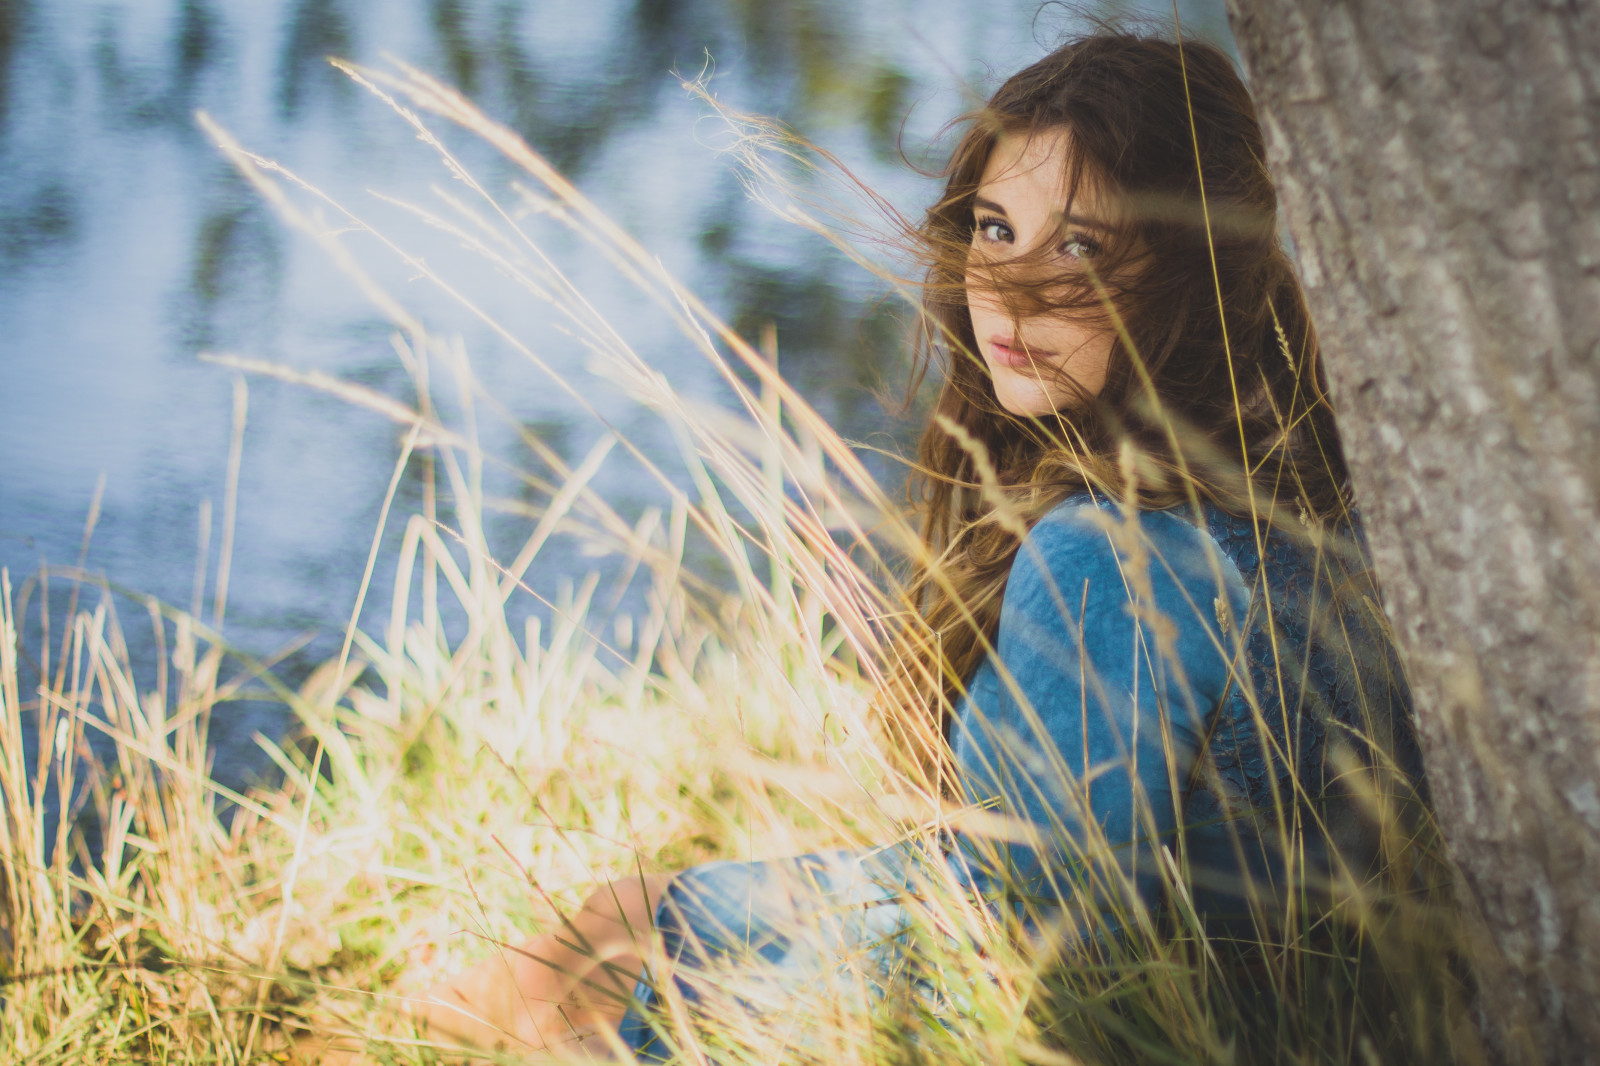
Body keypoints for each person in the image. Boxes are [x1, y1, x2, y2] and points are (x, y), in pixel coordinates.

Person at [397, 29, 1420, 1063]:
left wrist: (680, 1026)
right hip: (1255, 977)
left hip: (1097, 1007)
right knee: (623, 911)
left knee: (588, 987)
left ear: (1195, 273)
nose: (1006, 292)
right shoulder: (1324, 488)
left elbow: (1038, 955)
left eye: (1079, 248)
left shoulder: (1102, 555)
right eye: (994, 226)